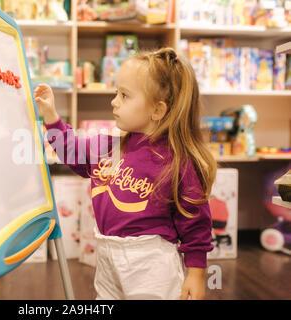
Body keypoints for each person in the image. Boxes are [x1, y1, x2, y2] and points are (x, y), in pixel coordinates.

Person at [34, 48, 216, 300]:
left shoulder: (177, 161)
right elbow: (73, 153)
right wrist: (52, 118)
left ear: (157, 110)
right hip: (108, 255)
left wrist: (196, 273)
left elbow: (195, 221)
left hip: (151, 264)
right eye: (116, 93)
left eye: (124, 95)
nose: (114, 101)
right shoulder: (110, 147)